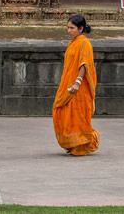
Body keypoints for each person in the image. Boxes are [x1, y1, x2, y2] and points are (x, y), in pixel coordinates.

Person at [52, 14, 99, 156]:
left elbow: (84, 64)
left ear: (81, 29)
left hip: (79, 88)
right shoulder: (72, 43)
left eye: (72, 28)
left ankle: (85, 143)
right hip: (67, 85)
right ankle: (72, 144)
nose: (69, 31)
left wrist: (77, 83)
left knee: (77, 116)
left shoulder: (84, 43)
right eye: (67, 28)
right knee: (62, 112)